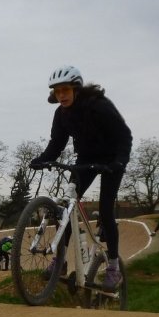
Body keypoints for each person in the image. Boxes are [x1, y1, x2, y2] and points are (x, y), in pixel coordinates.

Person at [30, 65, 132, 292]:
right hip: (86, 159)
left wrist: (119, 162)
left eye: (65, 90)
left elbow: (125, 135)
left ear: (76, 89)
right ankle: (60, 261)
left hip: (111, 160)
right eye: (57, 92)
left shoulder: (99, 106)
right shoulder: (61, 114)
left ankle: (113, 269)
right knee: (66, 207)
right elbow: (56, 144)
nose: (62, 95)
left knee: (106, 209)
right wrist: (42, 159)